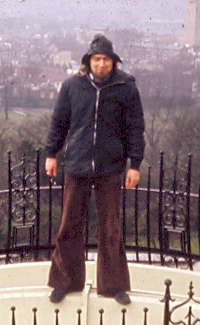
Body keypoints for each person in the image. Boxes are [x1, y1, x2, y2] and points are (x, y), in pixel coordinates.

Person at [44, 34, 145, 306]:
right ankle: (65, 282)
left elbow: (136, 128)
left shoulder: (126, 88)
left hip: (110, 165)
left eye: (106, 59)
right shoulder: (72, 86)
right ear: (88, 62)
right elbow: (59, 122)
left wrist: (134, 164)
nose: (101, 64)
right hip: (76, 163)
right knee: (69, 225)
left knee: (111, 226)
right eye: (96, 59)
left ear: (113, 62)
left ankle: (114, 287)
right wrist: (51, 153)